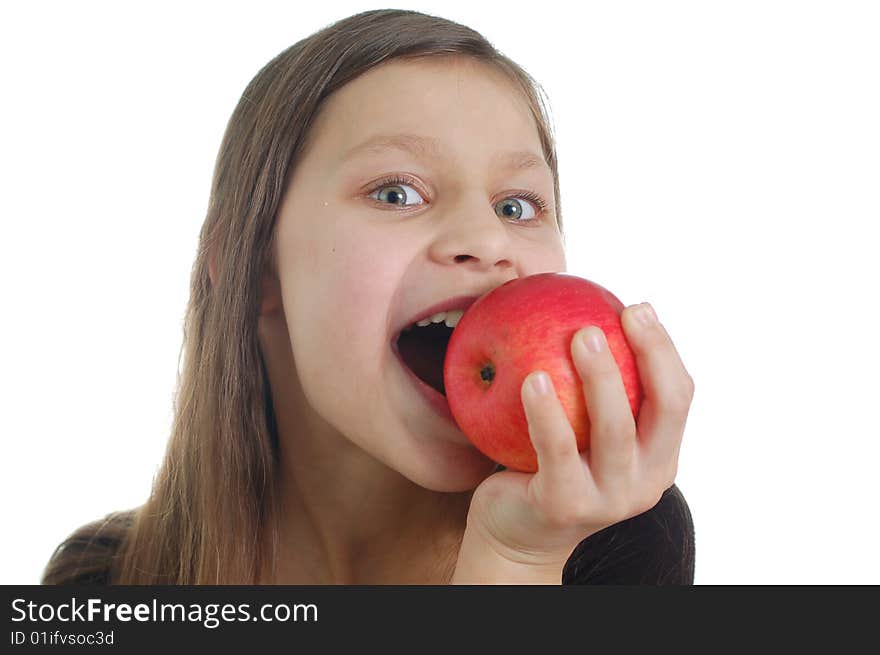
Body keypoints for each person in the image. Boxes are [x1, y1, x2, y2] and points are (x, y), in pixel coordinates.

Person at [42, 8, 696, 585]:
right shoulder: (106, 578)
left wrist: (518, 561)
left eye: (517, 204)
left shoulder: (613, 541)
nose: (485, 237)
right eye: (396, 192)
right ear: (251, 270)